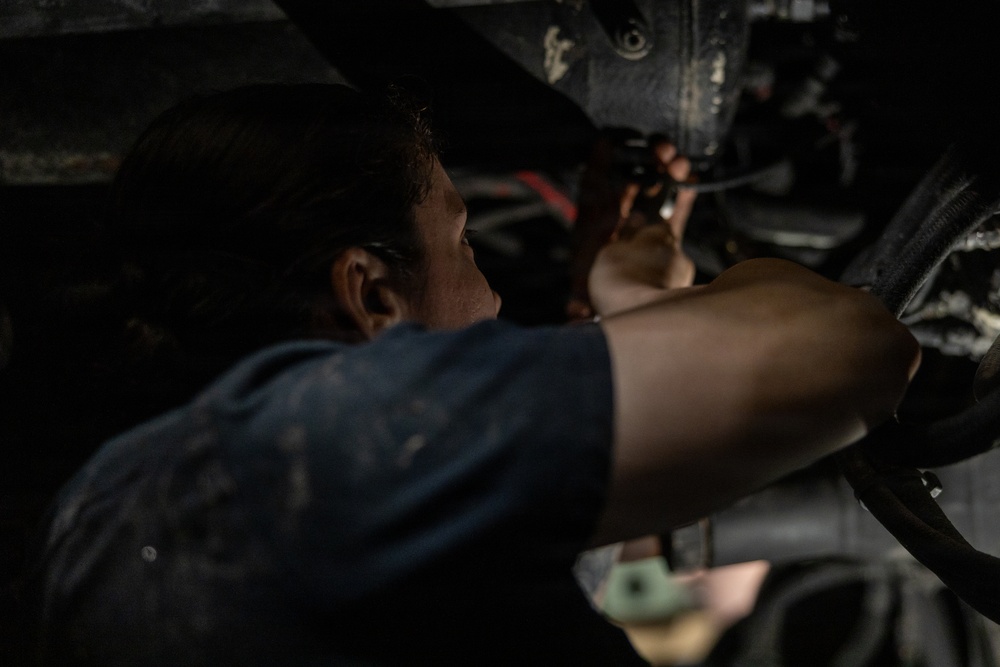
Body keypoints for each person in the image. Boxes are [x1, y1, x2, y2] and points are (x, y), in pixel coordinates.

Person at [28, 83, 919, 665]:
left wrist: (599, 305)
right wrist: (641, 295)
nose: (493, 295)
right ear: (370, 293)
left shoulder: (174, 512)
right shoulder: (277, 458)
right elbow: (852, 347)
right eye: (461, 240)